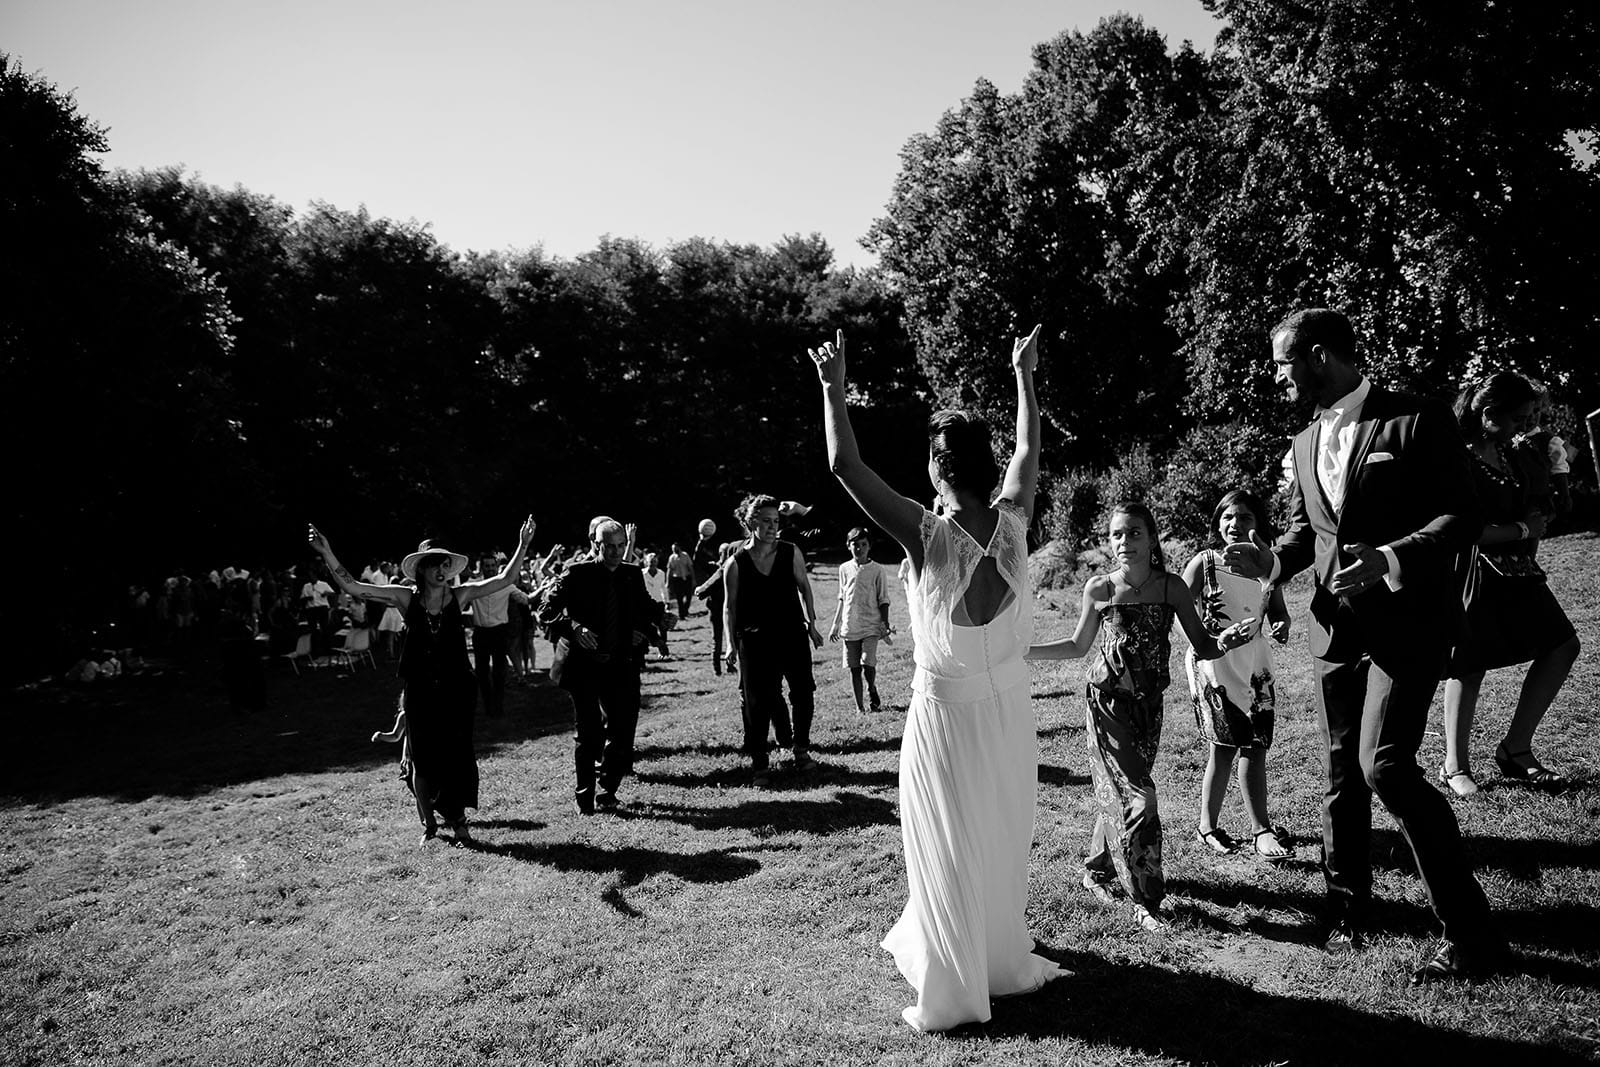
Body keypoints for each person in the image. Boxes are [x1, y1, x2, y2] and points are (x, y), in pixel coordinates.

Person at [1224, 307, 1499, 983]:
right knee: (1341, 771)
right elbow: (1306, 531)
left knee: (1388, 767)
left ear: (1319, 356)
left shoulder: (1417, 418)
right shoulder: (1302, 439)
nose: (1277, 374)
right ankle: (1348, 911)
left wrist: (1391, 557)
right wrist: (1272, 560)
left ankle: (1472, 935)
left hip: (1410, 624)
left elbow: (1464, 512)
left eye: (1284, 361)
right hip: (1335, 631)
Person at [811, 323, 1061, 1032]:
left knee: (946, 841)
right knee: (999, 833)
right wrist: (1024, 376)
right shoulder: (1014, 520)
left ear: (935, 466)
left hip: (946, 718)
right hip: (1010, 712)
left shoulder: (924, 535)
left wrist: (834, 391)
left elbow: (843, 466)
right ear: (981, 466)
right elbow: (1027, 450)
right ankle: (995, 955)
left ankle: (954, 983)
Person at [1030, 502, 1233, 930]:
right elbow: (1077, 644)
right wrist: (1024, 652)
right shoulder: (1100, 588)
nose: (1125, 542)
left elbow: (1204, 644)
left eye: (1134, 533)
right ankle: (1146, 900)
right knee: (1140, 797)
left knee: (1120, 794)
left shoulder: (1171, 587)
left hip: (1149, 708)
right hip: (1106, 705)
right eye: (1117, 535)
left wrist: (1227, 639)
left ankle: (1096, 870)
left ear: (1152, 537)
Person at [309, 515, 536, 845]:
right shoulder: (404, 599)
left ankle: (458, 821)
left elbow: (505, 579)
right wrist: (327, 552)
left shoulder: (461, 596)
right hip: (419, 690)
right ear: (421, 570)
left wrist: (523, 544)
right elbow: (354, 587)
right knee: (424, 759)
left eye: (445, 564)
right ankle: (429, 823)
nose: (441, 570)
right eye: (434, 565)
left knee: (456, 755)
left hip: (457, 688)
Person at [1440, 372, 1580, 795]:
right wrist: (1521, 528)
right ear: (1487, 415)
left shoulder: (1516, 453)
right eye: (1518, 417)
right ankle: (1454, 765)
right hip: (1474, 571)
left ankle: (1516, 749)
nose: (1526, 424)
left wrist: (1546, 497)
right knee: (1469, 663)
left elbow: (1540, 508)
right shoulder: (1457, 459)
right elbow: (1462, 529)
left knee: (1562, 646)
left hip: (1520, 569)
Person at [1181, 490, 1292, 859]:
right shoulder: (1204, 562)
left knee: (1256, 746)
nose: (1235, 524)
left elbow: (1277, 609)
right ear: (1217, 522)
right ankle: (1207, 826)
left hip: (1256, 665)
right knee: (1223, 748)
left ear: (1258, 523)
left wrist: (1280, 625)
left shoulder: (1267, 565)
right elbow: (1179, 613)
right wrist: (1206, 640)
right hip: (1216, 664)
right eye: (1228, 517)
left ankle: (1261, 830)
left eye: (1245, 517)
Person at [536, 519, 662, 814]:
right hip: (584, 664)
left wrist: (658, 618)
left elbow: (642, 606)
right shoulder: (577, 573)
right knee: (589, 732)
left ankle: (608, 789)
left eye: (621, 546)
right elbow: (546, 610)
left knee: (623, 728)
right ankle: (585, 795)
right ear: (596, 544)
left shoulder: (632, 574)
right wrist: (575, 627)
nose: (617, 552)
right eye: (610, 546)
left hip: (621, 663)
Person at [723, 494, 824, 786]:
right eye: (766, 522)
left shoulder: (790, 552)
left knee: (803, 692)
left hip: (792, 634)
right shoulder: (736, 562)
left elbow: (805, 588)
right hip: (754, 641)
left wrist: (813, 625)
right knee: (758, 702)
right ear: (751, 523)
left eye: (776, 521)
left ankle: (801, 749)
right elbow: (730, 606)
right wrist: (731, 643)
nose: (772, 527)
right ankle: (760, 764)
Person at [828, 526, 891, 713]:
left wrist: (884, 624)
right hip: (850, 625)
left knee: (867, 663)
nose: (859, 548)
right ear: (848, 546)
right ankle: (860, 707)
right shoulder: (844, 569)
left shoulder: (877, 570)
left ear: (869, 546)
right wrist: (835, 624)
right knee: (854, 668)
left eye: (863, 544)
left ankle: (872, 688)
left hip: (871, 625)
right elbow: (842, 597)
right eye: (855, 544)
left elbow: (884, 599)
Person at [469, 554, 514, 718]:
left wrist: (544, 588)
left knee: (499, 672)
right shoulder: (472, 586)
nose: (490, 569)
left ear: (497, 567)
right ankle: (489, 706)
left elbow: (526, 599)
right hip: (481, 633)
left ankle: (498, 706)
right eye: (486, 566)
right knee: (481, 672)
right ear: (481, 568)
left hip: (499, 632)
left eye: (492, 566)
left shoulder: (506, 585)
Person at [692, 527, 731, 675]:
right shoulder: (714, 568)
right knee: (718, 639)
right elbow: (697, 560)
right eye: (725, 552)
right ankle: (717, 668)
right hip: (716, 609)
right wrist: (701, 541)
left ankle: (730, 666)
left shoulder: (734, 567)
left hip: (729, 609)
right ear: (721, 553)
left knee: (730, 638)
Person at [641, 552, 672, 658]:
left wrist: (667, 602)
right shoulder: (642, 574)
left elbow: (663, 588)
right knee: (645, 627)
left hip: (658, 603)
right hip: (645, 604)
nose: (652, 564)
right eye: (650, 562)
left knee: (662, 628)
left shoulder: (661, 573)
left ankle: (663, 650)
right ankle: (645, 649)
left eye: (654, 562)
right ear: (646, 563)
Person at [667, 542, 696, 619]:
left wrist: (693, 579)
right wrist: (668, 582)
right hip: (677, 579)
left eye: (675, 548)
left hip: (686, 578)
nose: (674, 550)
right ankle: (681, 615)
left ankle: (685, 610)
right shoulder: (671, 558)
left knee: (689, 596)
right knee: (679, 598)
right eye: (673, 549)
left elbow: (690, 567)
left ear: (679, 548)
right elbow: (669, 570)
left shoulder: (685, 555)